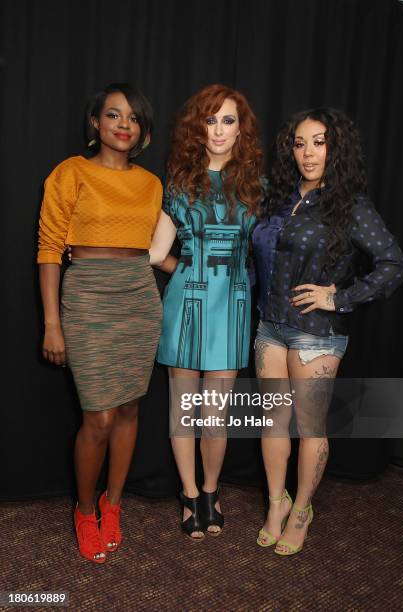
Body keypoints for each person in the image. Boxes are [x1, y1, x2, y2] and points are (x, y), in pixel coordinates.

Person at [252, 108, 403, 556]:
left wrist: (337, 297)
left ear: (335, 147)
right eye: (299, 143)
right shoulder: (280, 198)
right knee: (273, 423)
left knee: (310, 427)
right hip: (270, 328)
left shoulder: (349, 204)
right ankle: (276, 503)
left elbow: (394, 265)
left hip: (316, 335)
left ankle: (302, 510)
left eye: (318, 142)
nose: (308, 153)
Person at [37, 83, 163, 563]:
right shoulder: (70, 173)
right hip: (88, 295)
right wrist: (53, 323)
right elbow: (50, 250)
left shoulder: (151, 184)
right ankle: (85, 510)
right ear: (96, 123)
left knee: (130, 410)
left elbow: (152, 248)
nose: (123, 124)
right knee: (99, 416)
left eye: (133, 117)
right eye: (113, 115)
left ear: (143, 128)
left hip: (138, 296)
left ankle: (114, 504)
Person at [149, 84, 263, 540]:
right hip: (186, 305)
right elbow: (157, 253)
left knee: (215, 414)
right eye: (211, 120)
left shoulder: (257, 186)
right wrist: (189, 267)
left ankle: (212, 492)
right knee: (185, 411)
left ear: (241, 130)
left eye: (228, 120)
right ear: (199, 127)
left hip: (233, 306)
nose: (218, 129)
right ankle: (190, 494)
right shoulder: (180, 183)